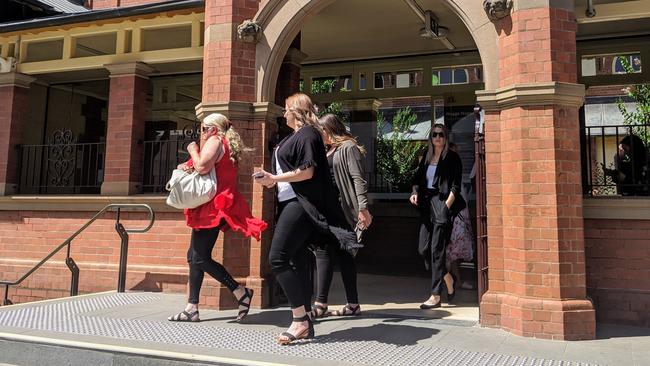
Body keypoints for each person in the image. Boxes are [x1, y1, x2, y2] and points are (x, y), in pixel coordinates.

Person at [253, 93, 357, 345]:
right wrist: (271, 181)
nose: (283, 114)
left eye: (286, 109)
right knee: (298, 261)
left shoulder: (309, 133)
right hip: (289, 202)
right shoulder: (294, 136)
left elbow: (308, 171)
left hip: (300, 205)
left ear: (296, 110)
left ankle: (300, 320)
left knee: (277, 258)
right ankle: (306, 315)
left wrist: (274, 179)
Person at [168, 113, 268, 323]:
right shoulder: (225, 144)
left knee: (199, 258)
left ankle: (240, 291)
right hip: (214, 205)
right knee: (193, 256)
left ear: (213, 129)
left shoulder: (215, 141)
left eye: (204, 129)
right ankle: (192, 307)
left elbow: (202, 166)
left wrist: (192, 149)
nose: (201, 133)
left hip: (212, 208)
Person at [311, 114, 372, 319]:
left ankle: (350, 303)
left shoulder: (348, 147)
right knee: (324, 252)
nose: (319, 135)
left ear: (328, 130)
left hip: (343, 211)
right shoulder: (329, 149)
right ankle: (322, 303)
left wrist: (363, 208)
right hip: (328, 210)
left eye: (321, 131)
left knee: (345, 255)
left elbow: (358, 178)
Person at [409, 124, 463, 309]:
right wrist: (415, 192)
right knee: (423, 249)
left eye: (441, 134)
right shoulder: (426, 156)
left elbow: (456, 185)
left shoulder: (452, 157)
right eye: (434, 135)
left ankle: (435, 295)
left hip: (442, 203)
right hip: (426, 205)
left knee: (437, 250)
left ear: (446, 137)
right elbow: (417, 179)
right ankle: (448, 278)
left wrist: (446, 207)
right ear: (430, 137)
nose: (438, 138)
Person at [445, 143, 474, 293]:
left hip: (461, 218)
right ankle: (448, 281)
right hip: (453, 218)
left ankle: (455, 280)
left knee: (454, 253)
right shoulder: (446, 175)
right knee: (450, 252)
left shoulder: (457, 175)